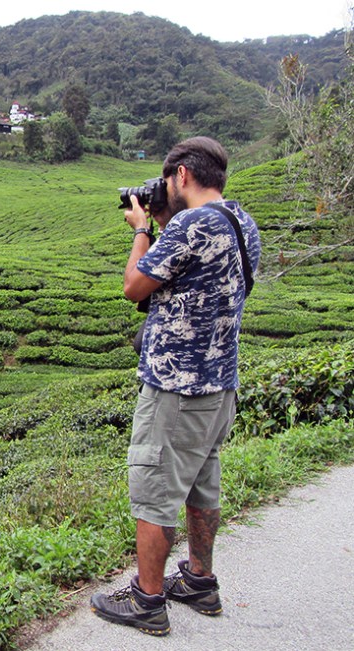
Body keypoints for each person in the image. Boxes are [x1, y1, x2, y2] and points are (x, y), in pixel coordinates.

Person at [90, 137, 261, 635]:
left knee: (156, 487)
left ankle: (146, 600)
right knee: (202, 485)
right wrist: (164, 224)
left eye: (167, 182)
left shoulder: (191, 224)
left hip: (176, 388)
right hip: (218, 385)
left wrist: (143, 227)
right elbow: (193, 278)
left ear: (182, 174)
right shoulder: (240, 222)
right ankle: (200, 582)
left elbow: (134, 287)